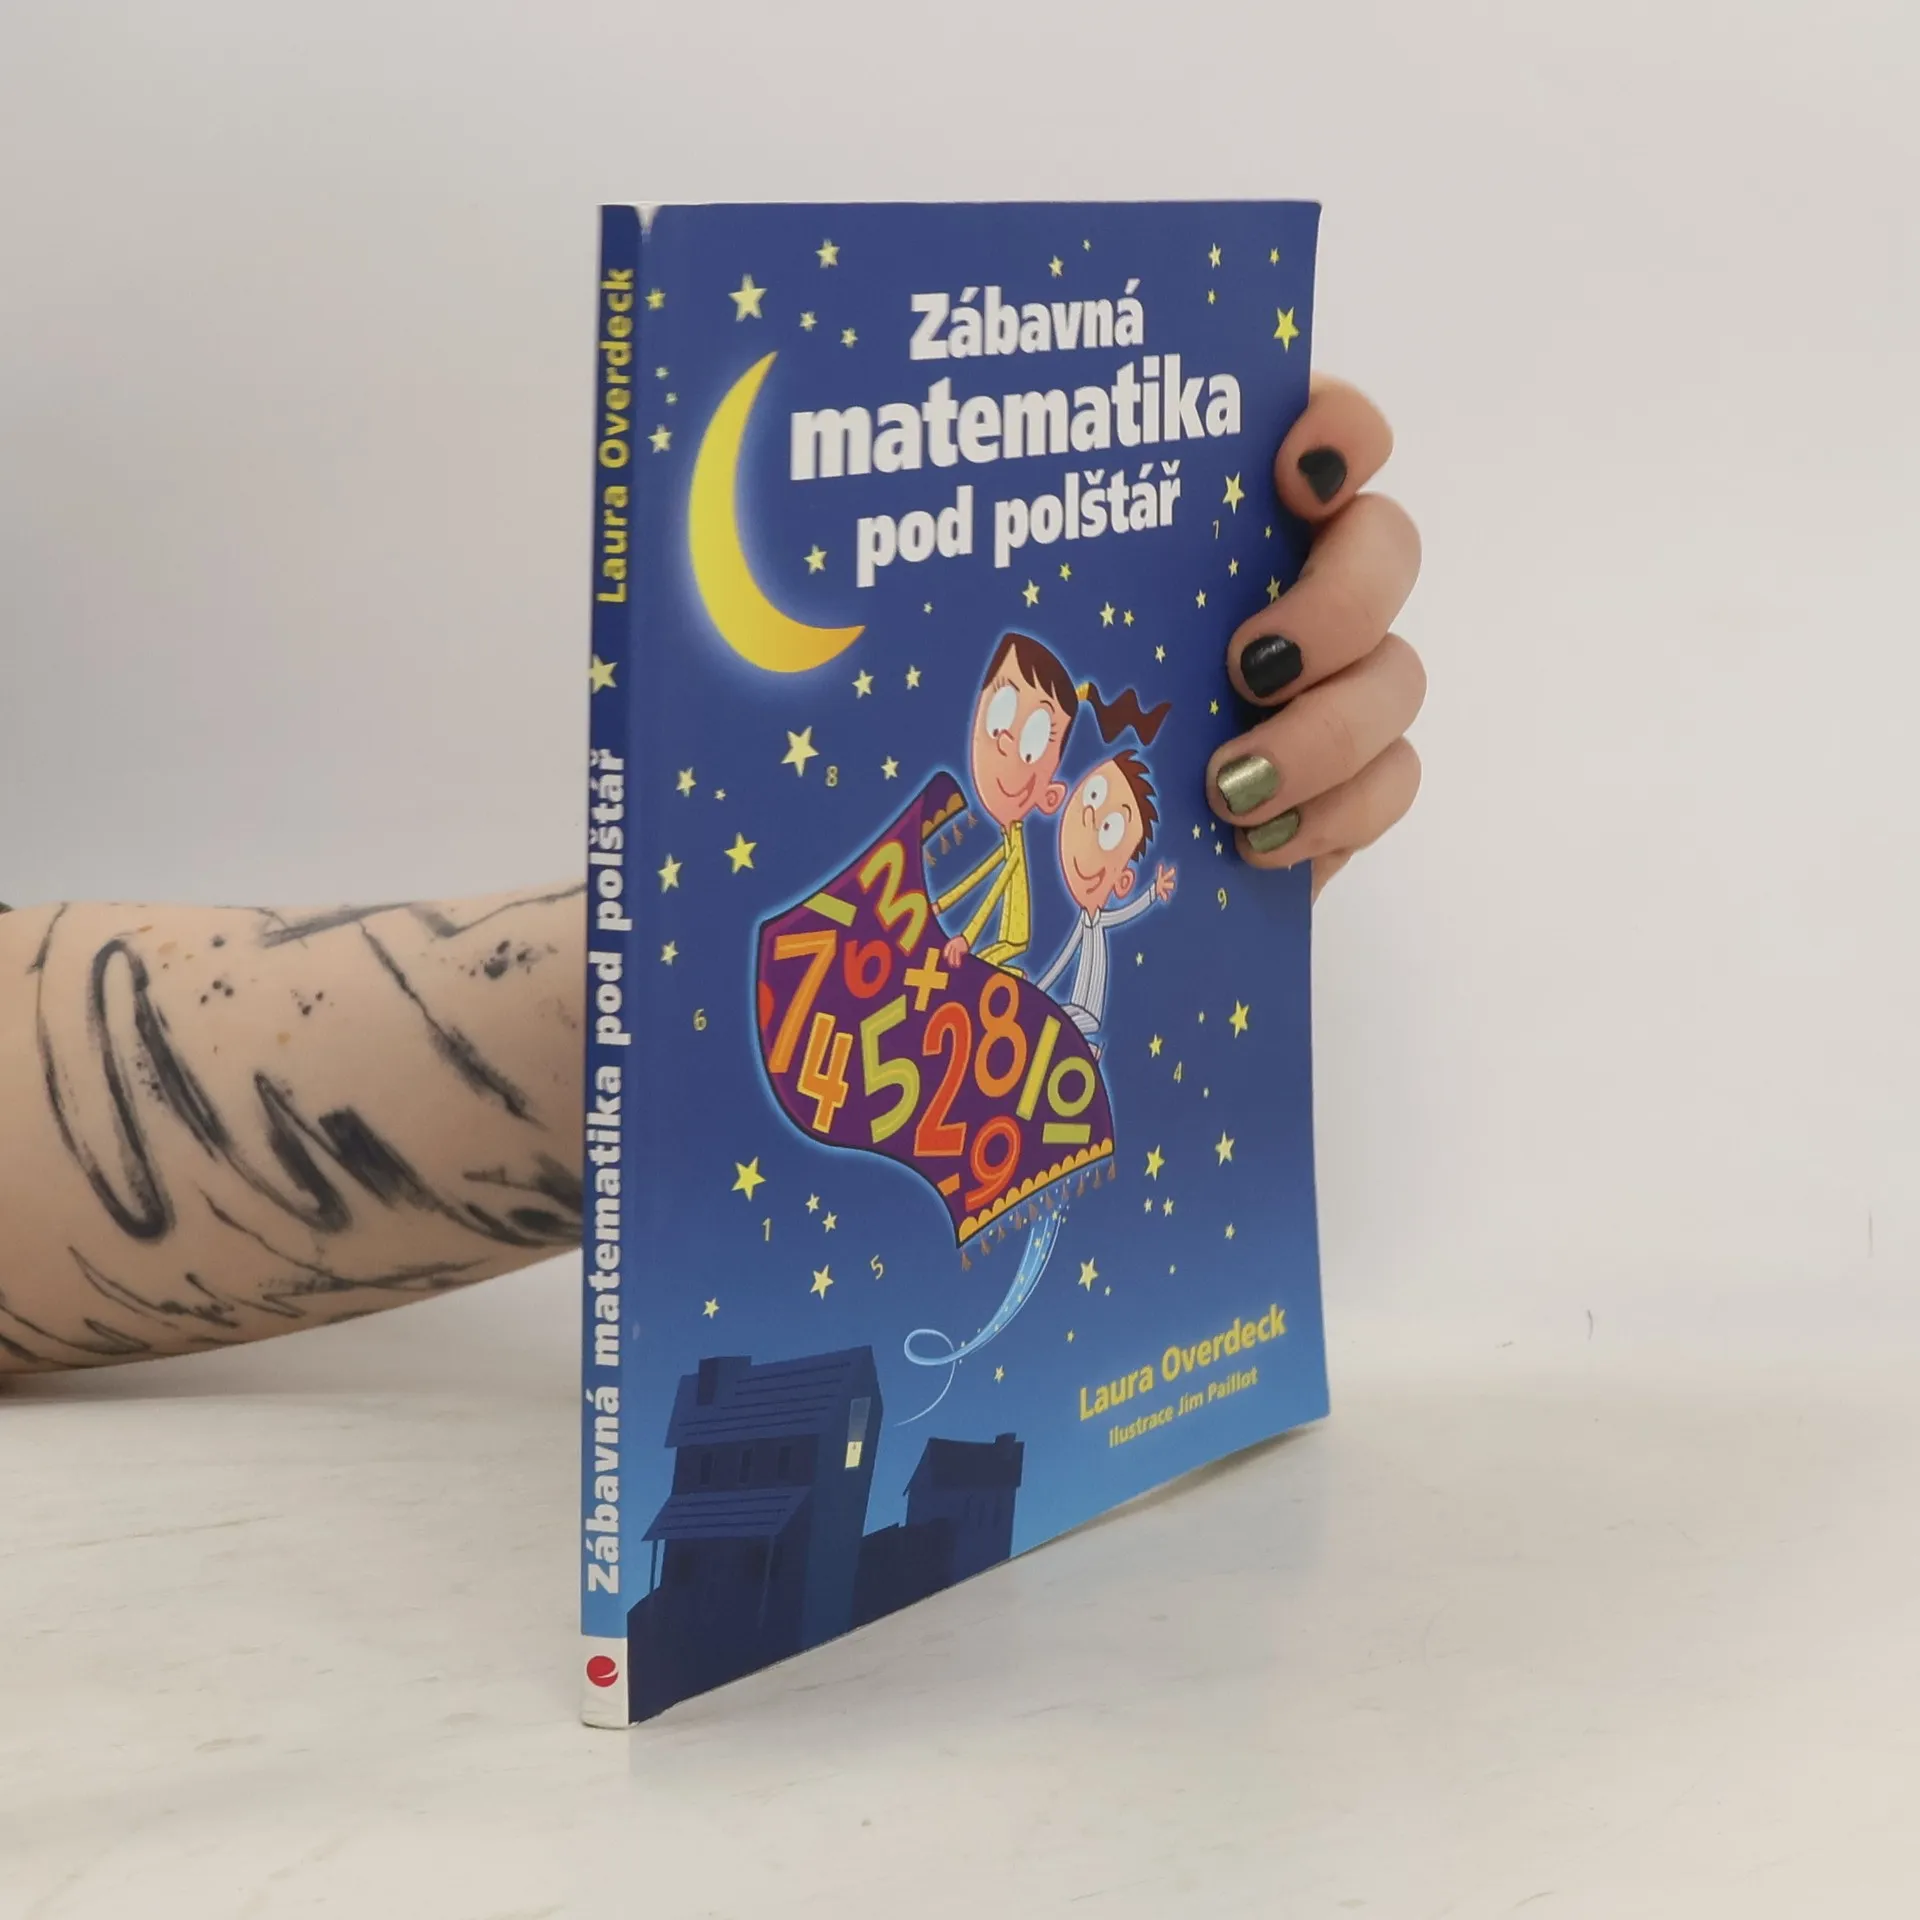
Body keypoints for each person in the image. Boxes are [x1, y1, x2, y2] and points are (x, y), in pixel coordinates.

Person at [0, 376, 1424, 1377]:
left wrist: (1186, 889)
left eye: (1033, 738)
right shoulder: (945, 838)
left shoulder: (1017, 871)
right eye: (1005, 717)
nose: (1012, 751)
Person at [1033, 747, 1178, 1055]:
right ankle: (1085, 1049)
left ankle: (1086, 1051)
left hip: (1089, 1005)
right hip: (1076, 1003)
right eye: (1092, 797)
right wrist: (1038, 989)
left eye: (1109, 829)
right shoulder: (1083, 920)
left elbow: (1125, 914)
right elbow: (1063, 958)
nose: (1091, 818)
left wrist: (1153, 892)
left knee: (1059, 1019)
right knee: (1058, 1018)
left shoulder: (1099, 920)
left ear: (1123, 881)